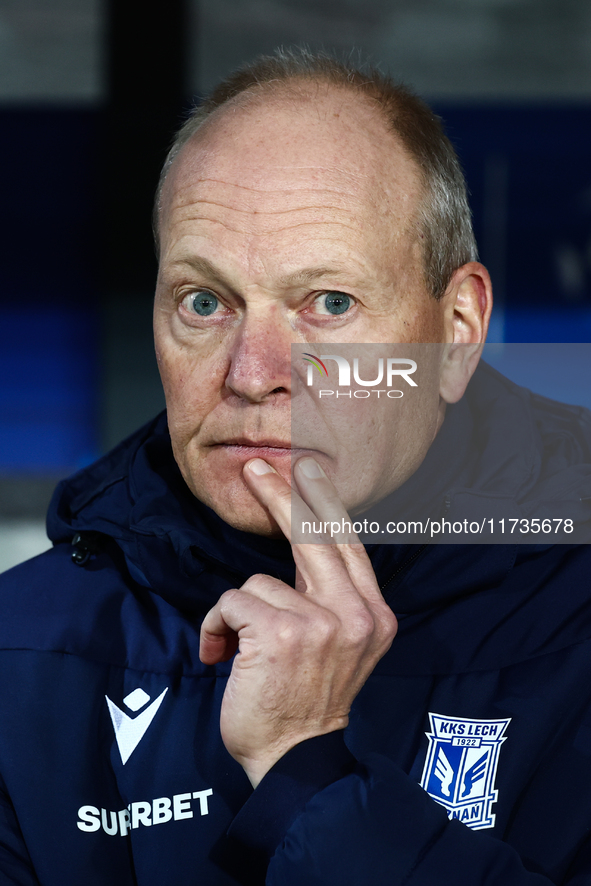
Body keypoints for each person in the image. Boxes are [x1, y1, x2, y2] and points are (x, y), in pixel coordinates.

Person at [0, 48, 590, 885]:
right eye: (204, 303)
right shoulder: (19, 656)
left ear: (456, 329)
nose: (251, 373)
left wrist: (303, 770)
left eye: (329, 304)